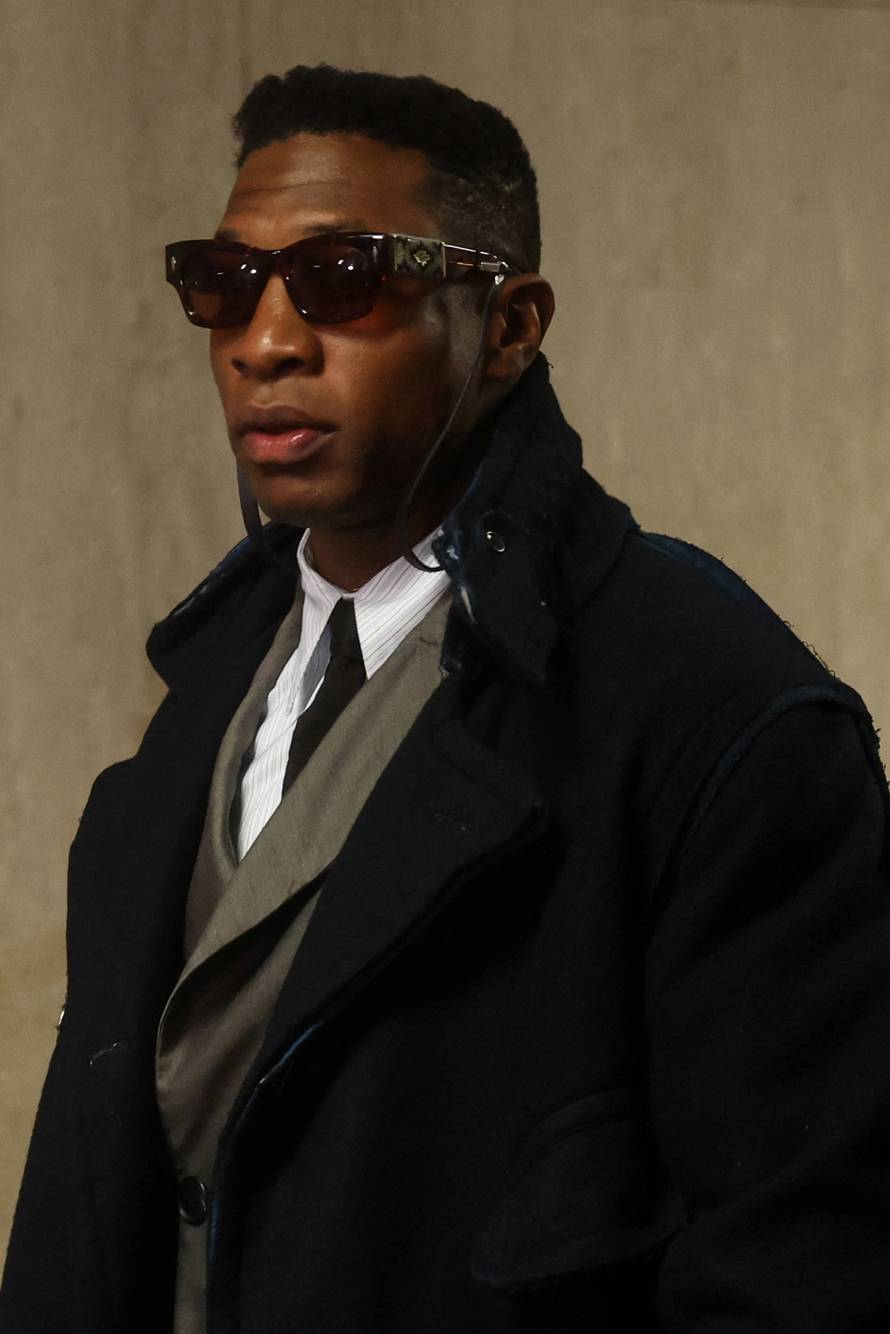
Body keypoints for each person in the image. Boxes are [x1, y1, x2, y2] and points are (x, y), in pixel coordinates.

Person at [3, 62, 890, 1334]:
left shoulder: (716, 712)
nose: (264, 339)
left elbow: (797, 1264)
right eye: (222, 281)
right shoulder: (207, 685)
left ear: (509, 325)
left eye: (341, 278)